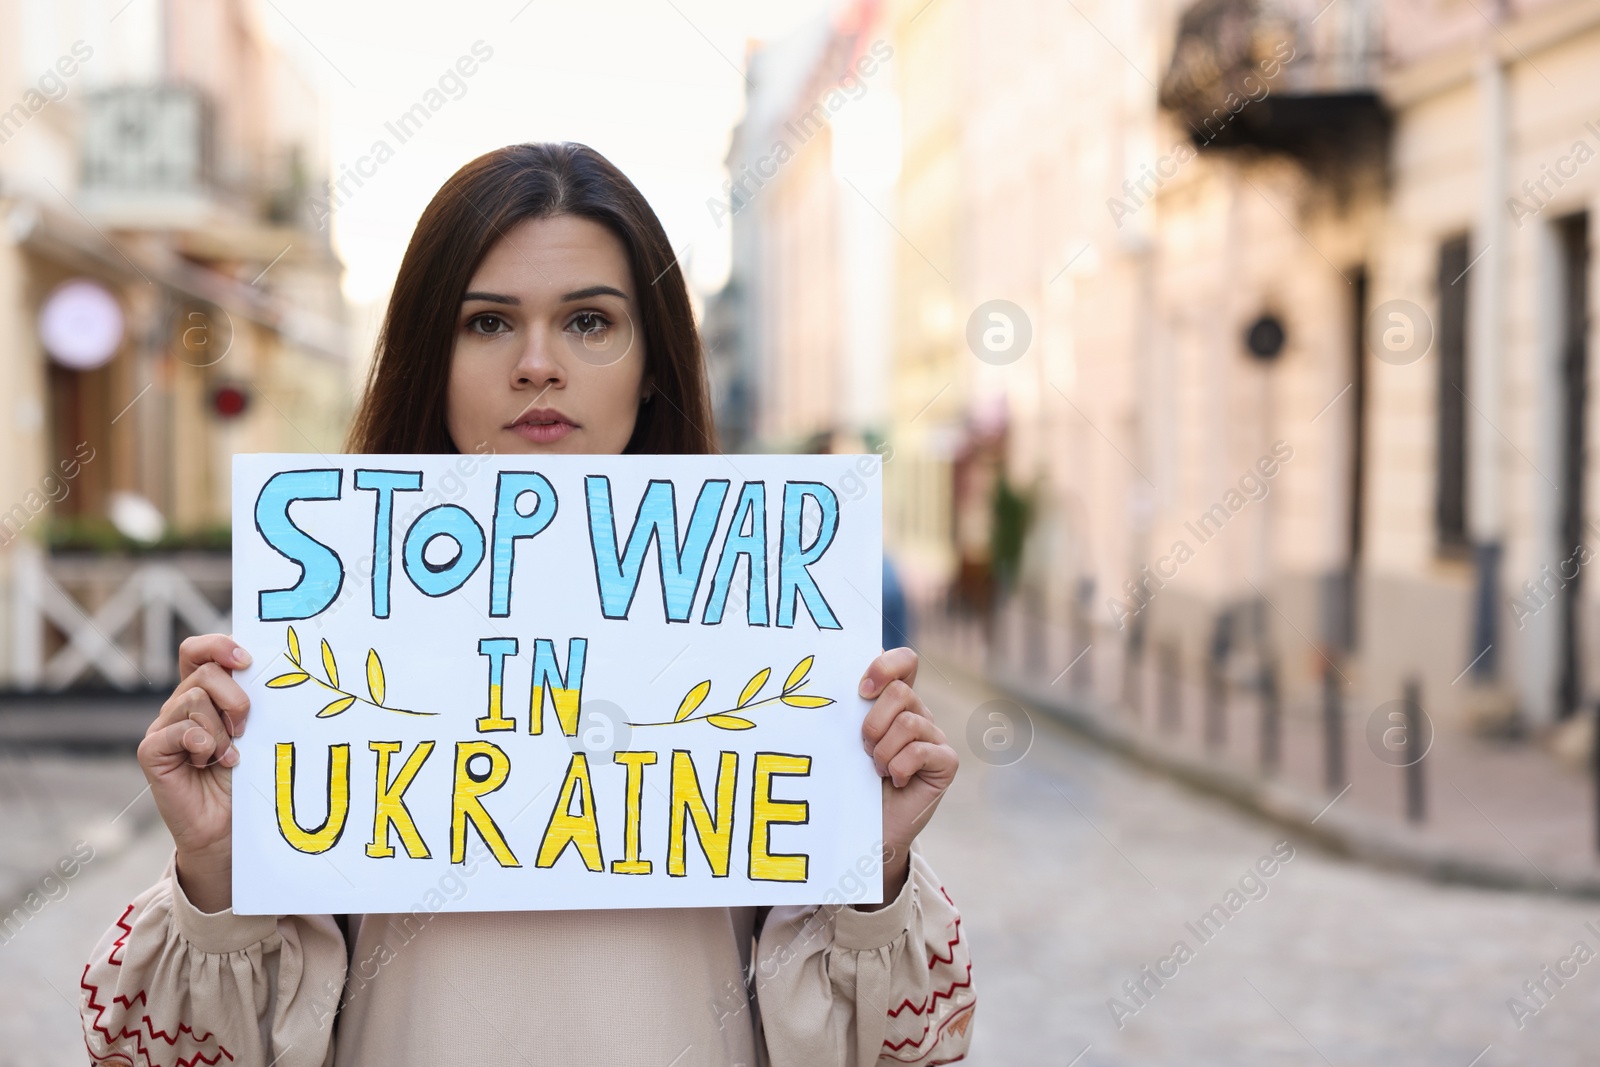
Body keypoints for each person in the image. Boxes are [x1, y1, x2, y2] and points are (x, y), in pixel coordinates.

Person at [79, 143, 975, 1067]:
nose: (538, 364)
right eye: (488, 322)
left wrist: (872, 865)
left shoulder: (759, 628)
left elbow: (884, 1050)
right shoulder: (324, 636)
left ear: (653, 365)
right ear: (432, 355)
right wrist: (220, 864)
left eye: (590, 321)